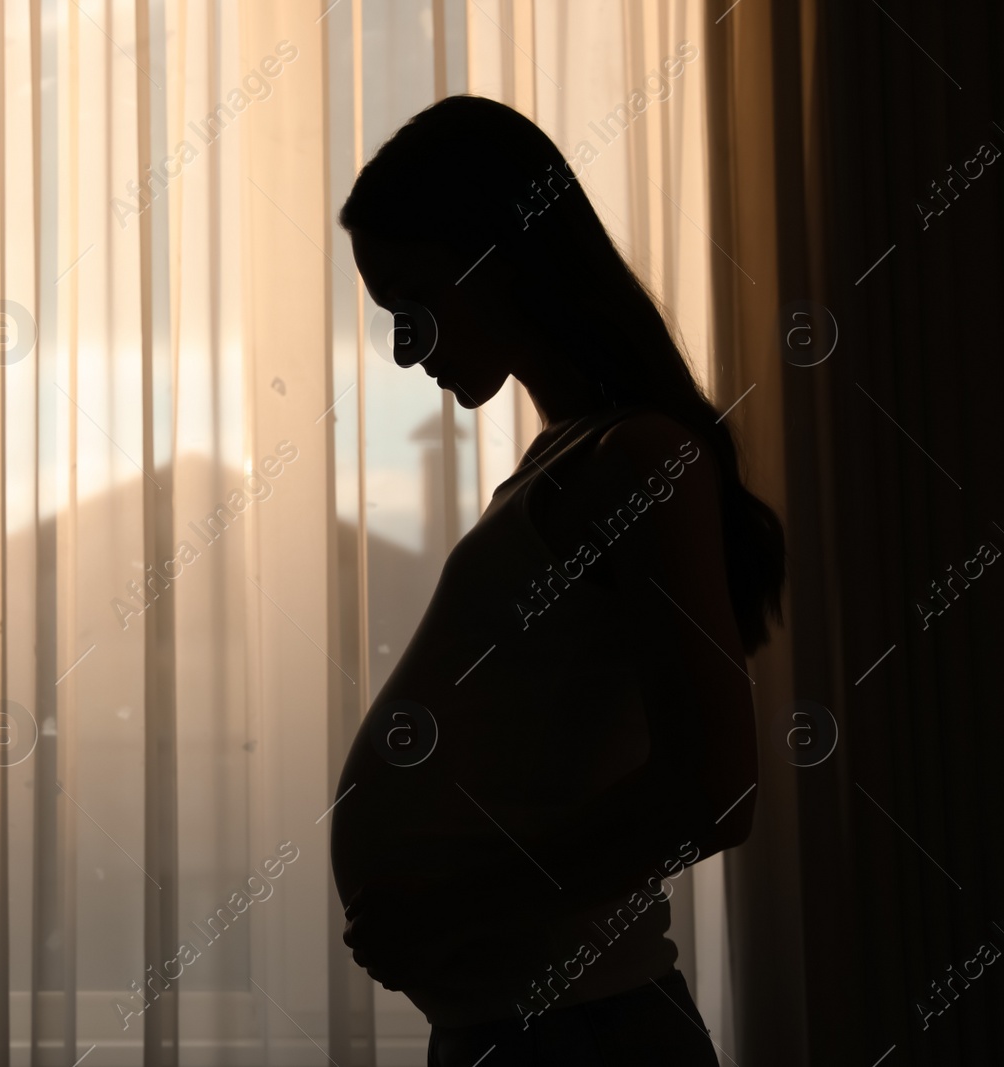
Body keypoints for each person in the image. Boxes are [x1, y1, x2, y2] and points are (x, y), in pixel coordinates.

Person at [328, 95, 786, 1065]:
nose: (407, 349)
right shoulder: (567, 461)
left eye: (413, 303)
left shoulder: (635, 460)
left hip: (587, 1031)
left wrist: (448, 906)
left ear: (500, 256)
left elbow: (713, 788)